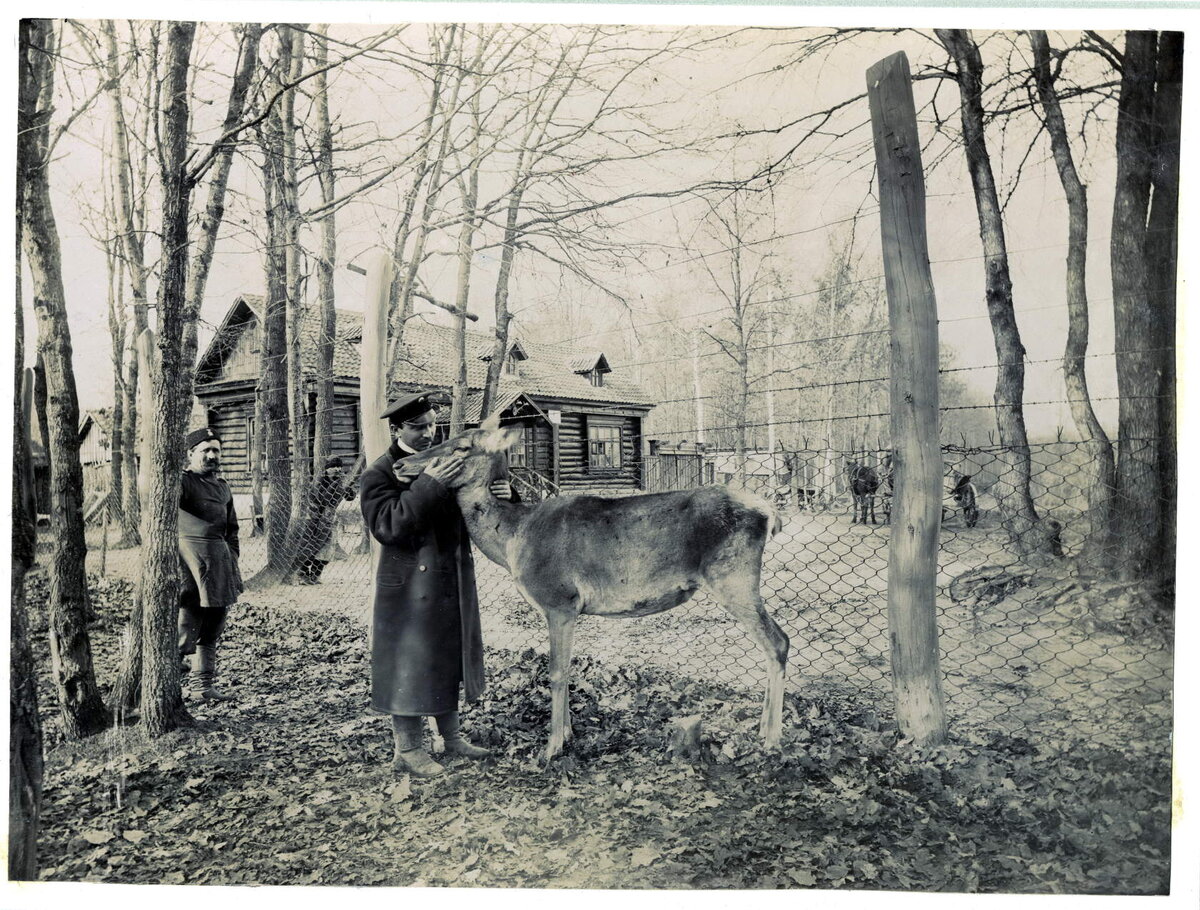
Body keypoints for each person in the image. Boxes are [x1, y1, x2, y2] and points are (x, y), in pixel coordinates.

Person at [359, 391, 515, 778]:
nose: (429, 433)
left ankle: (452, 737)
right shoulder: (379, 472)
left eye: (432, 425)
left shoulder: (445, 461)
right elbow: (388, 526)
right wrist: (428, 483)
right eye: (418, 427)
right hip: (408, 585)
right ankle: (408, 749)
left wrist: (506, 497)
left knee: (447, 655)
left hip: (451, 575)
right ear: (397, 429)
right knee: (409, 662)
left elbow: (478, 508)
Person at [178, 427, 243, 702]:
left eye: (216, 450)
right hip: (190, 566)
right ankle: (169, 685)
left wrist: (232, 557)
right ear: (191, 454)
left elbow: (232, 527)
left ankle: (202, 686)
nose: (212, 455)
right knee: (186, 624)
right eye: (206, 450)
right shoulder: (183, 482)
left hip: (219, 565)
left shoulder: (223, 486)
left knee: (213, 625)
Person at [292, 456, 357, 585]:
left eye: (339, 466)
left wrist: (349, 488)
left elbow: (350, 497)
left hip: (328, 519)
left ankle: (315, 575)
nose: (337, 469)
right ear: (327, 469)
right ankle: (303, 574)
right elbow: (323, 498)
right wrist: (337, 484)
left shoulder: (341, 481)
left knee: (325, 549)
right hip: (313, 518)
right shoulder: (320, 481)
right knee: (308, 546)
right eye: (333, 466)